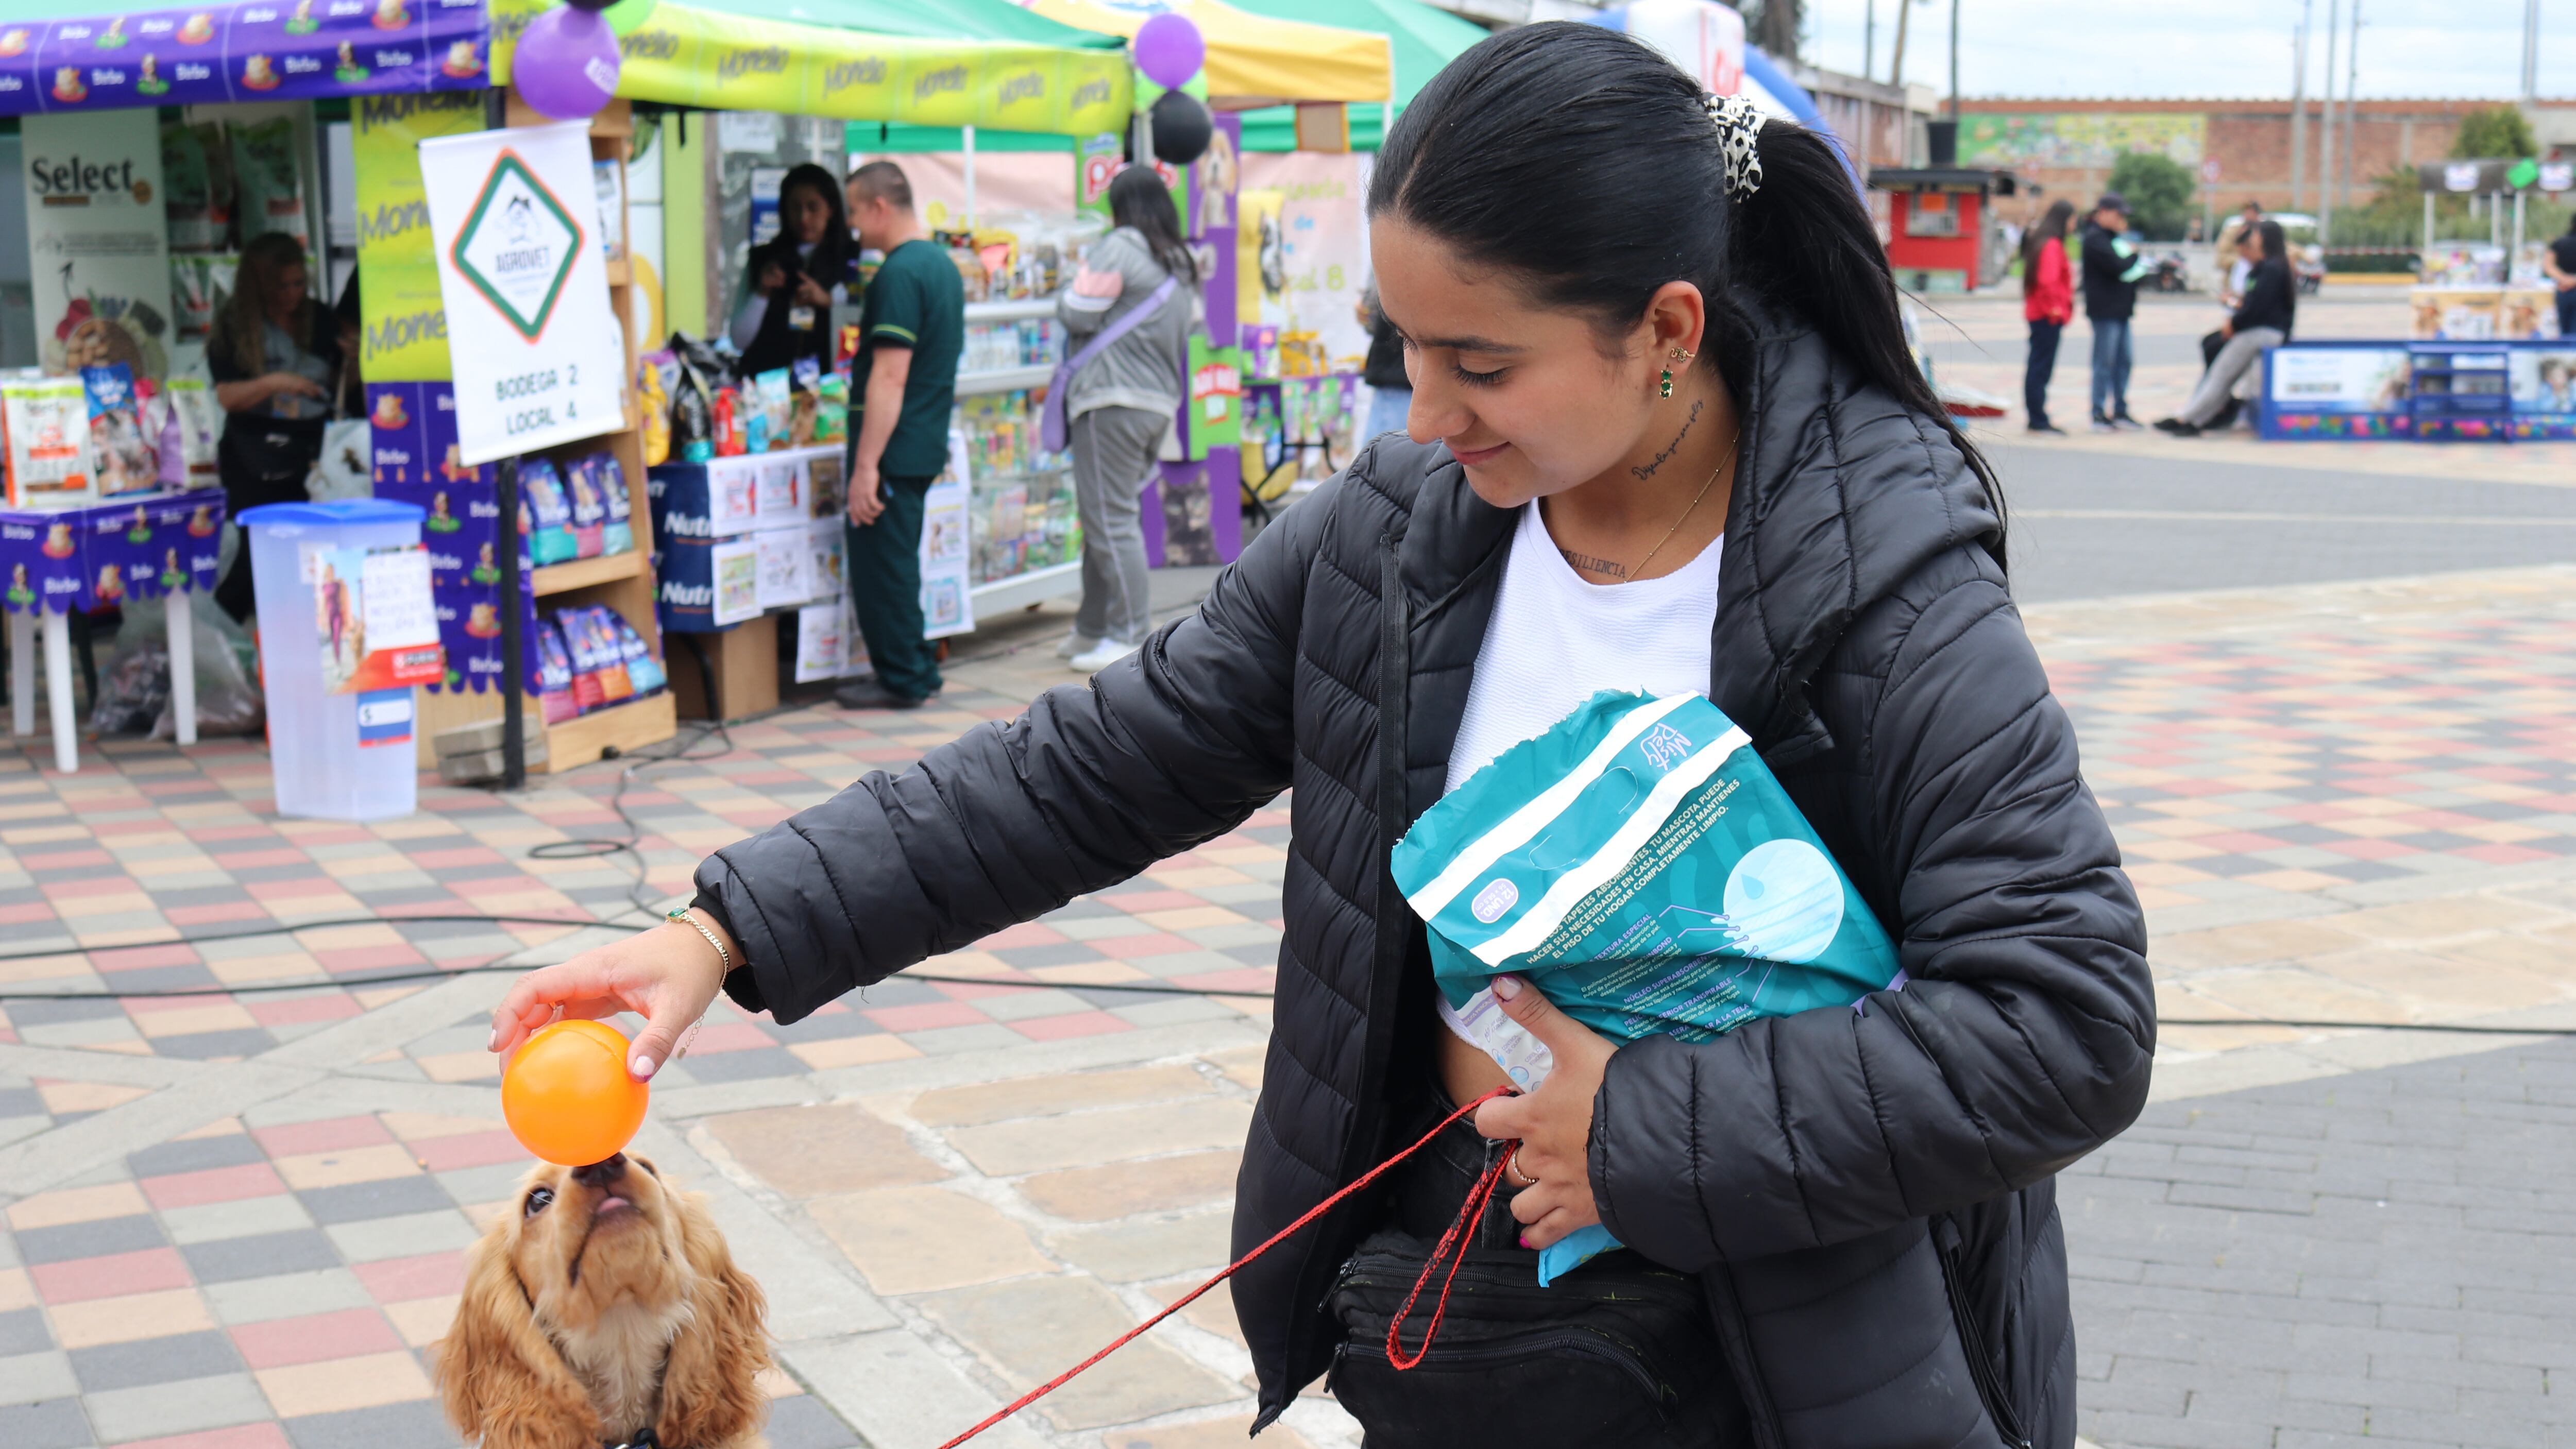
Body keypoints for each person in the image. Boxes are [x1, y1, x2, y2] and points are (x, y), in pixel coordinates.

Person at [489, 25, 2149, 1449]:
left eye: (1480, 362)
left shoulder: (1886, 590)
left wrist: (1642, 1128)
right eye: (1404, 345)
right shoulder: (1396, 537)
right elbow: (1091, 765)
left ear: (1663, 331)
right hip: (1459, 1320)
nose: (1423, 413)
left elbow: (2065, 1015)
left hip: (1787, 1354)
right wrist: (728, 926)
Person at [1054, 165, 1197, 674]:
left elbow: (1076, 310)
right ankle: (1092, 626)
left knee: (1110, 520)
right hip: (1154, 405)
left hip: (1111, 402)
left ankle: (1129, 634)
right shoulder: (1177, 263)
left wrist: (1064, 282)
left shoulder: (1119, 249)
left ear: (1120, 208)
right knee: (1106, 515)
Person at [833, 160, 961, 711]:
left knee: (884, 564)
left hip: (894, 445)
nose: (852, 225)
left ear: (879, 208)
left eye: (854, 212)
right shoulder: (940, 266)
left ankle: (903, 675)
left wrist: (866, 465)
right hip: (922, 438)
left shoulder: (899, 274)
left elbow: (890, 375)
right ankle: (916, 667)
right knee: (899, 560)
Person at [208, 232, 342, 622]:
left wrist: (353, 361)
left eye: (299, 284)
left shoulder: (320, 318)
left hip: (311, 451)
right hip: (254, 456)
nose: (292, 294)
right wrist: (275, 383)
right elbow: (227, 395)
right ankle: (229, 632)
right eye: (281, 286)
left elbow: (341, 388)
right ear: (259, 286)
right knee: (254, 556)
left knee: (311, 555)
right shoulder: (234, 325)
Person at [2159, 218, 2294, 436]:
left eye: (2256, 235)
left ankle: (2192, 420)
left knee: (2221, 374)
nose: (2253, 239)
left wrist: (2235, 324)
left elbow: (2256, 308)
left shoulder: (2272, 269)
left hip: (2260, 332)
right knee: (2222, 369)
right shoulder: (2271, 267)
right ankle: (2192, 417)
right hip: (2263, 330)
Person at [730, 163, 854, 381]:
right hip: (769, 388)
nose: (804, 218)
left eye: (813, 208)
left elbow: (862, 321)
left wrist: (828, 301)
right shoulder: (763, 259)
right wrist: (762, 293)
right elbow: (739, 340)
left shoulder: (852, 259)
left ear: (831, 209)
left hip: (831, 388)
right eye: (795, 208)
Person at [2079, 192, 2151, 431]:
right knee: (2104, 362)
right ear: (2104, 212)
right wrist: (2135, 255)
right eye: (2118, 215)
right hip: (2105, 312)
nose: (2122, 220)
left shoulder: (2112, 238)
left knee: (2124, 361)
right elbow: (2118, 266)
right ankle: (2098, 412)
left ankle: (2120, 410)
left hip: (2121, 311)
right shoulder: (2095, 238)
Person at [2021, 198, 2075, 434]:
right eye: (2072, 220)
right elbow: (2048, 281)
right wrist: (2056, 309)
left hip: (2041, 313)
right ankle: (2038, 418)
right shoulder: (2052, 245)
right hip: (2046, 316)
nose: (2074, 225)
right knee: (2040, 367)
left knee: (2038, 365)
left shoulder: (2042, 241)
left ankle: (2037, 416)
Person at [1358, 282, 1411, 439]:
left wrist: (1364, 311)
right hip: (1402, 374)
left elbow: (1371, 314)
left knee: (1388, 447)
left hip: (1394, 375)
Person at [2545, 214, 2576, 341]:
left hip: (2563, 289)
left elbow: (2548, 265)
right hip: (2567, 288)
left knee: (2565, 331)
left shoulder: (2559, 243)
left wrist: (2564, 279)